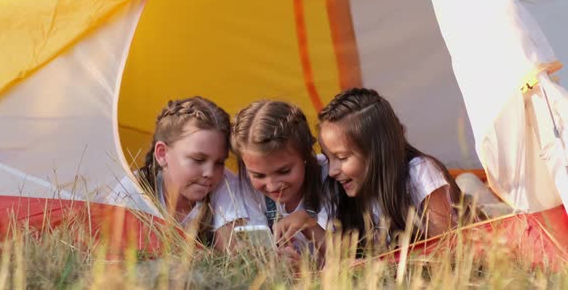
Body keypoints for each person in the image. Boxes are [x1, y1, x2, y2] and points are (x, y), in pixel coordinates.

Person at [317, 88, 463, 247]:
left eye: (342, 157)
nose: (332, 171)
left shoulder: (419, 174)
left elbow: (447, 247)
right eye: (327, 158)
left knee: (469, 184)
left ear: (378, 151)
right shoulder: (342, 191)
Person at [106, 96, 239, 248]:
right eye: (198, 159)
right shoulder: (132, 191)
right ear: (162, 154)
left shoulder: (226, 185)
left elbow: (233, 252)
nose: (210, 172)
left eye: (219, 162)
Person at [223, 100, 328, 255]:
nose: (272, 186)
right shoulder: (244, 185)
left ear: (306, 154)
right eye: (258, 175)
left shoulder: (330, 176)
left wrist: (309, 225)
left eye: (284, 171)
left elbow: (347, 255)